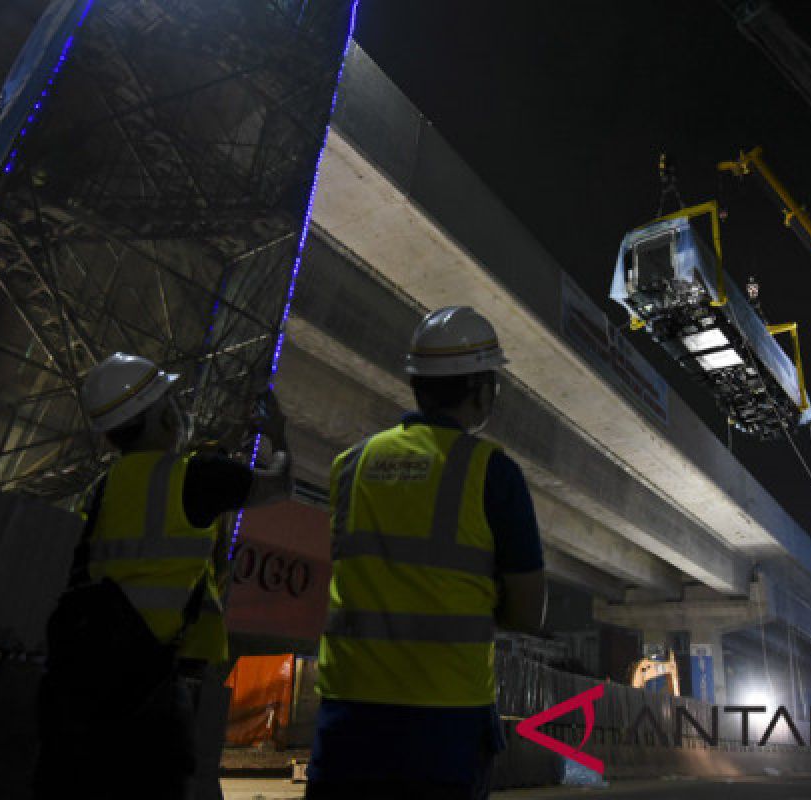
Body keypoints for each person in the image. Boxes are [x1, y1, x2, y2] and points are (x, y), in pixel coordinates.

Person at [305, 306, 547, 800]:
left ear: (417, 383)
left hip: (348, 713)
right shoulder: (492, 473)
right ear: (482, 390)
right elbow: (526, 612)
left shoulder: (350, 465)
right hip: (445, 718)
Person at [34, 352, 292, 800]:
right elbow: (279, 485)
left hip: (93, 680)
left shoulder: (100, 490)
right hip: (164, 683)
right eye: (171, 399)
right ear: (160, 414)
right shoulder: (193, 477)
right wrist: (278, 436)